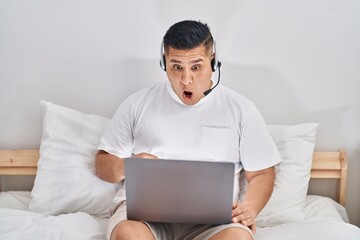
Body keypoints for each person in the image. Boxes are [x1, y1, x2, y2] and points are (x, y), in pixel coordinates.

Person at [95, 20, 281, 240]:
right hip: (144, 218)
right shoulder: (137, 104)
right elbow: (103, 164)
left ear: (213, 61)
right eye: (176, 67)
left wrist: (249, 208)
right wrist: (129, 165)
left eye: (195, 67)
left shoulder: (241, 109)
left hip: (213, 223)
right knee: (127, 234)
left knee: (238, 238)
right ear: (164, 63)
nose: (186, 79)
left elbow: (261, 172)